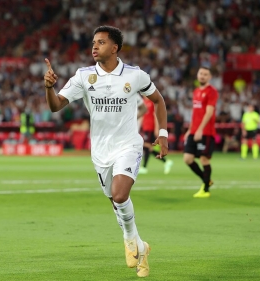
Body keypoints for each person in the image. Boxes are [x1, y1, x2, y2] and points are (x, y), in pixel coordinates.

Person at [43, 25, 168, 278]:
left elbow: (158, 101)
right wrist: (48, 88)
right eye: (93, 43)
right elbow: (56, 106)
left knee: (120, 195)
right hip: (100, 151)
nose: (94, 47)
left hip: (128, 145)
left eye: (100, 42)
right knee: (115, 201)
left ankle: (129, 239)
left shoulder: (135, 75)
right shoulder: (83, 76)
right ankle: (142, 249)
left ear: (115, 47)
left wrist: (163, 134)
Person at [183, 67, 219, 198]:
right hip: (194, 131)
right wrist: (190, 130)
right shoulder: (196, 91)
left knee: (204, 159)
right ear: (197, 75)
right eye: (201, 73)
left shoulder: (212, 92)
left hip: (206, 132)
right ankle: (207, 179)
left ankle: (206, 189)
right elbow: (195, 113)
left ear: (210, 77)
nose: (202, 76)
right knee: (187, 159)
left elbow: (209, 112)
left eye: (205, 74)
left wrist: (200, 129)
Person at [139, 95, 173, 175]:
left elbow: (155, 115)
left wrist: (157, 129)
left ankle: (165, 161)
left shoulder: (151, 102)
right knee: (148, 148)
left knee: (146, 145)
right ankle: (165, 162)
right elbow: (142, 117)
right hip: (146, 127)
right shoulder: (143, 102)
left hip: (150, 127)